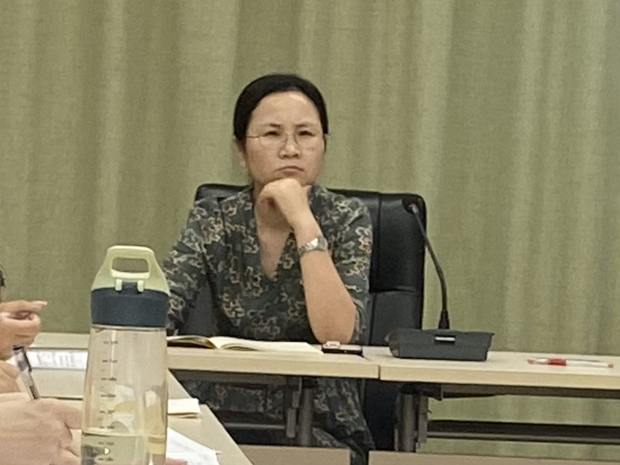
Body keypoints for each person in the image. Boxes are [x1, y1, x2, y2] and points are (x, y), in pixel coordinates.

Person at [164, 73, 375, 465]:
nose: (291, 149)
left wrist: (303, 220)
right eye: (273, 134)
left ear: (324, 145)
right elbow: (161, 312)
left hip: (318, 422)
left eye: (306, 134)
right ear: (240, 150)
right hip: (220, 415)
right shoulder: (214, 217)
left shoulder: (346, 218)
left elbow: (338, 334)